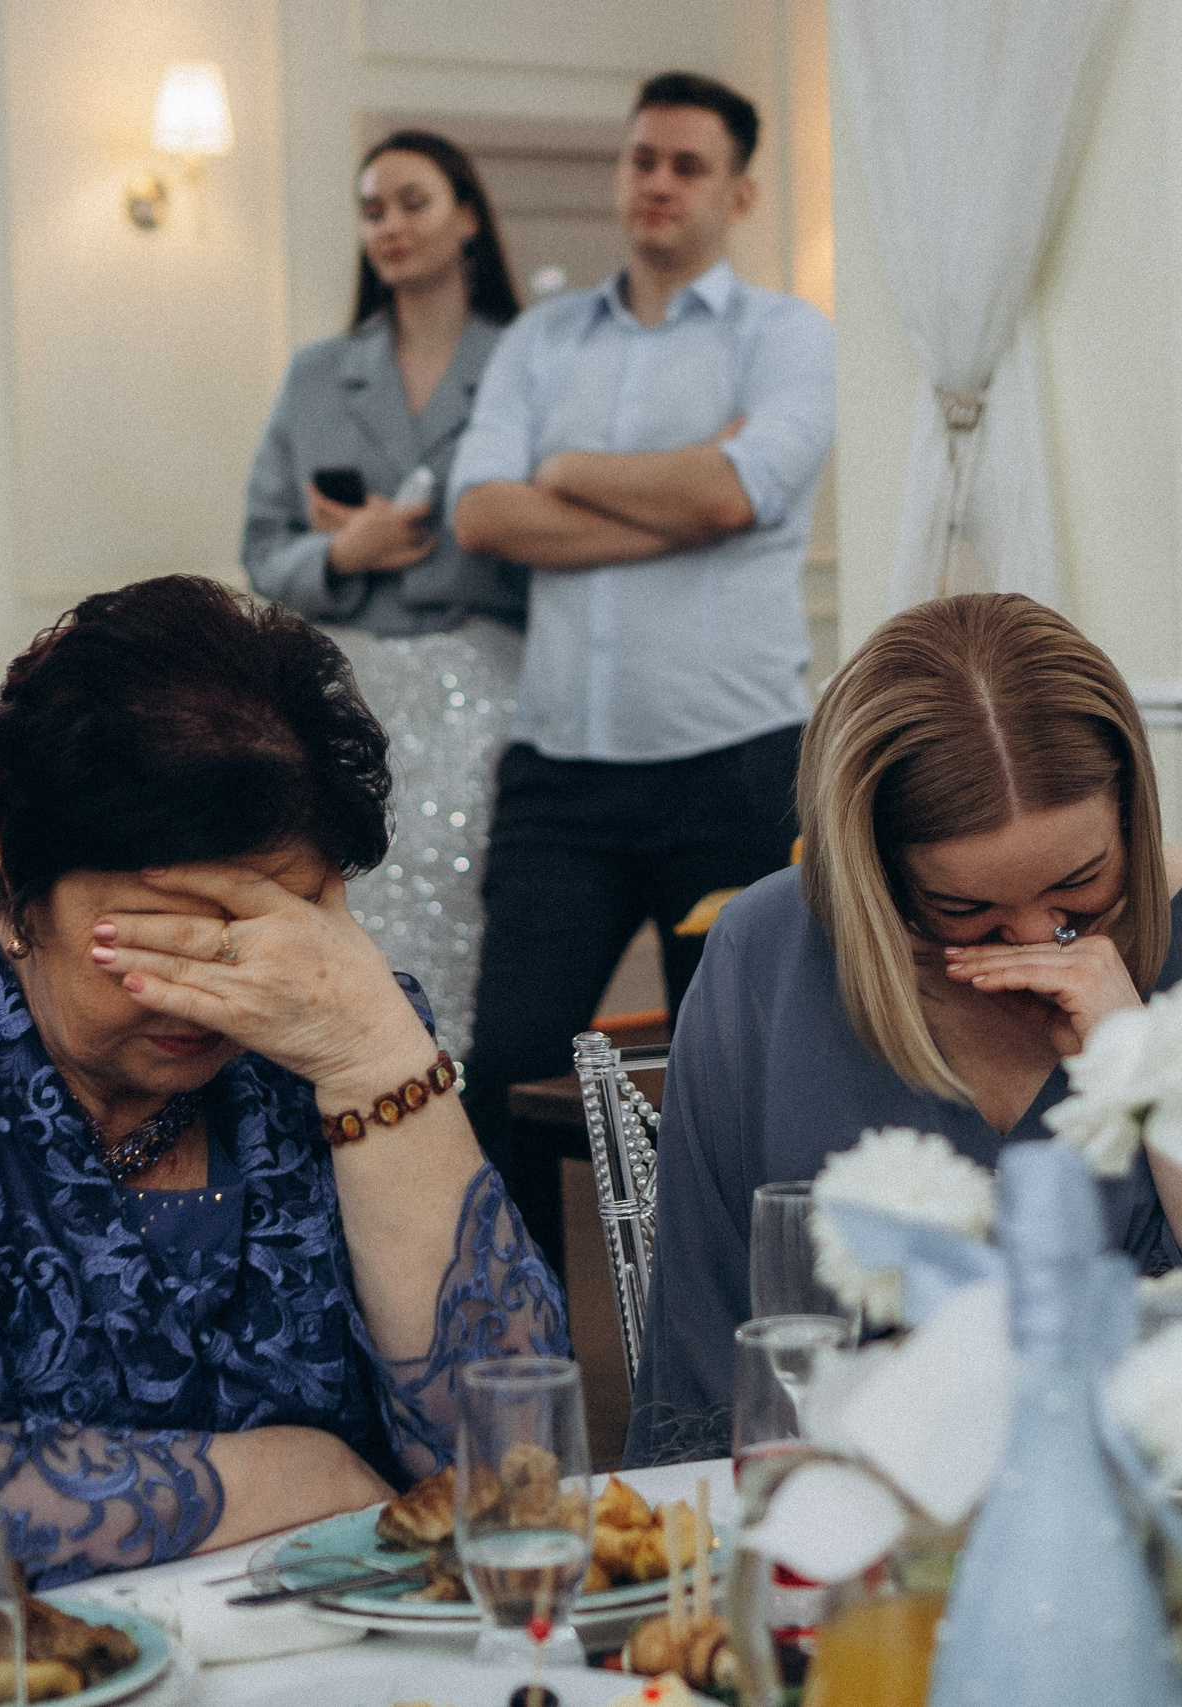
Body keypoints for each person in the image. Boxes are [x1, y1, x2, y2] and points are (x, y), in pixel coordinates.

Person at [0, 577, 566, 1623]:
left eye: (271, 918)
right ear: (13, 860)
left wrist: (379, 1067)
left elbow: (512, 1465)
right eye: (159, 931)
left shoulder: (317, 1021)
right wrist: (302, 1476)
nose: (213, 986)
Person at [623, 595, 1182, 1466]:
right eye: (964, 908)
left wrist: (1147, 1073)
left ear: (1132, 810)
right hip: (851, 1555)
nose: (1032, 938)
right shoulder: (765, 957)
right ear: (879, 869)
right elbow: (716, 1365)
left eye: (1080, 883)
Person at [447, 71, 836, 1266]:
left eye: (686, 166)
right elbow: (478, 514)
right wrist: (671, 499)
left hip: (734, 761)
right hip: (562, 769)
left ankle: (728, 1357)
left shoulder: (786, 335)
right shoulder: (540, 339)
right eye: (642, 160)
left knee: (734, 1082)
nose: (656, 183)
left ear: (738, 190)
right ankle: (519, 1356)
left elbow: (736, 489)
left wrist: (564, 470)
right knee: (507, 1067)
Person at [243, 130, 527, 1060]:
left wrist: (452, 543)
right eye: (373, 209)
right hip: (352, 687)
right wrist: (344, 554)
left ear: (468, 218)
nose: (390, 225)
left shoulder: (526, 359)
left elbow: (552, 534)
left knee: (471, 926)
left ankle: (457, 1141)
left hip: (484, 685)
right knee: (356, 905)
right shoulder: (319, 372)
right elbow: (263, 550)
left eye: (414, 202)